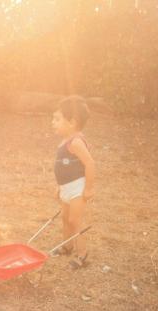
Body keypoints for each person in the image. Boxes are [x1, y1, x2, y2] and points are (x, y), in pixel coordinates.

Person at [51, 97, 95, 269]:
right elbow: (64, 168)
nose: (52, 122)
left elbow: (90, 163)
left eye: (57, 119)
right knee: (65, 218)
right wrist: (59, 187)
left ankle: (82, 255)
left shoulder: (75, 142)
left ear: (72, 122)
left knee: (74, 220)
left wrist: (89, 188)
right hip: (66, 188)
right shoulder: (65, 141)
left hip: (77, 188)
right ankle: (67, 246)